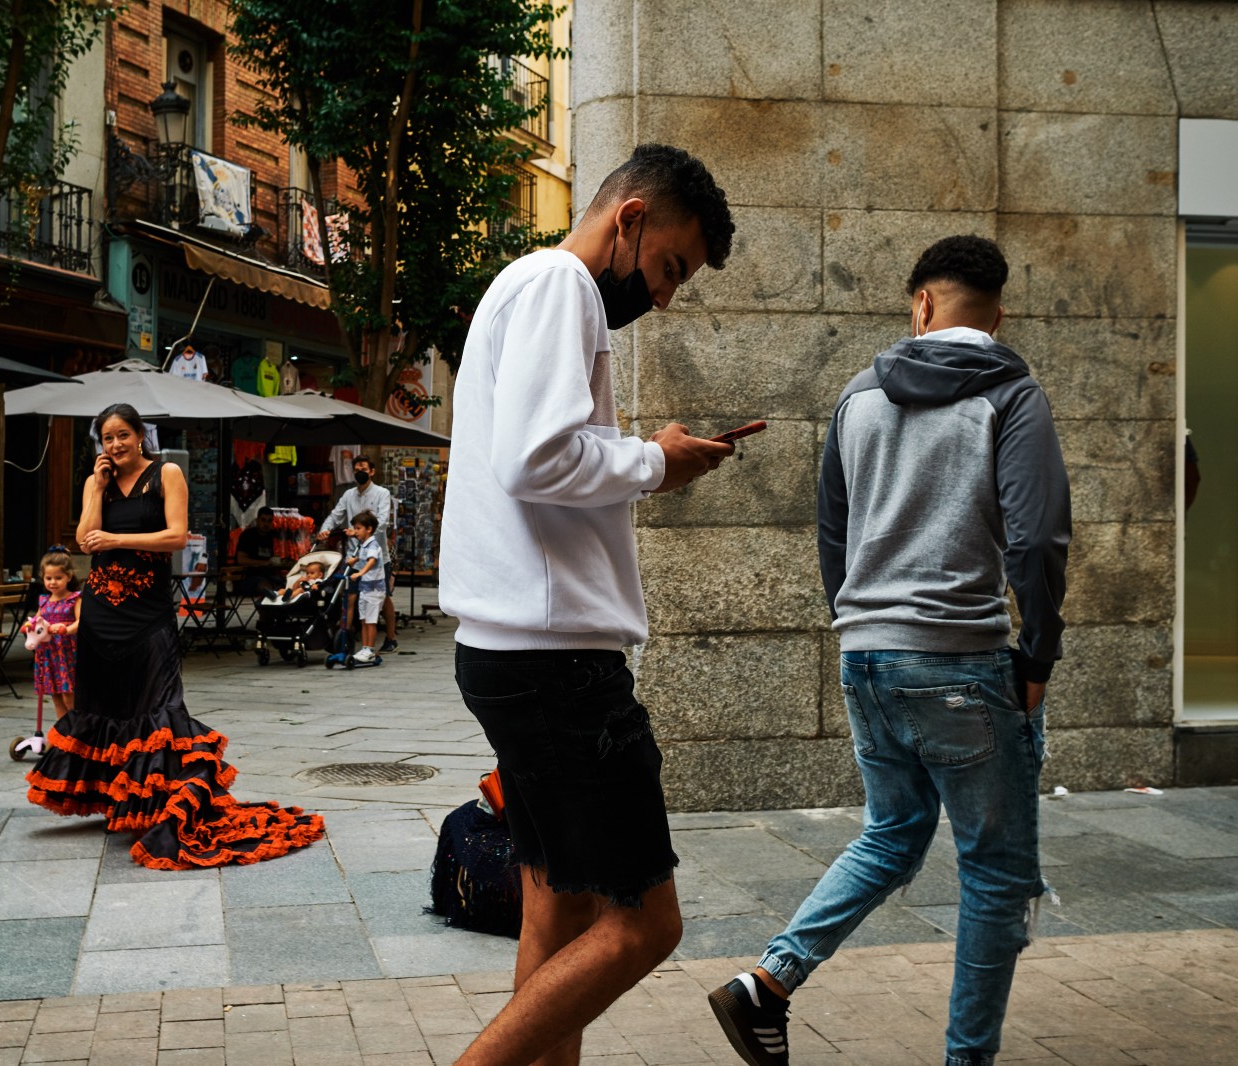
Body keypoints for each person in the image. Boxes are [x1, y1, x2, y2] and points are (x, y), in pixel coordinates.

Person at [708, 235, 1071, 1066]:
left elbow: (832, 533)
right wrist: (1038, 657)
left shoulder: (858, 396)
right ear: (996, 314)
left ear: (920, 306)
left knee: (895, 830)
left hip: (864, 656)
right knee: (997, 874)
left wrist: (860, 622)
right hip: (960, 662)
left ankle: (768, 981)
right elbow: (1038, 540)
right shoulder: (1012, 396)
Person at [439, 143, 738, 1066]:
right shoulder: (558, 287)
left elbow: (537, 460)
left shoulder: (522, 289)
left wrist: (646, 459)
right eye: (668, 268)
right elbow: (538, 457)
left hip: (516, 654)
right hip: (555, 665)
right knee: (646, 924)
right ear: (632, 218)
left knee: (557, 907)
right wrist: (655, 461)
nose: (663, 295)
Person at [25, 403, 325, 869]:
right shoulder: (96, 481)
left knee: (158, 701)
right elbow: (85, 539)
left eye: (123, 435)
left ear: (140, 435)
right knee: (104, 703)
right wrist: (97, 490)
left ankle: (162, 800)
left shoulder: (165, 474)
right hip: (102, 610)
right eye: (107, 438)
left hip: (148, 612)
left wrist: (118, 540)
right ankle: (119, 800)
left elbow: (177, 536)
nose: (116, 445)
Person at [317, 454, 398, 651]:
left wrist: (362, 533)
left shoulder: (381, 493)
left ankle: (391, 636)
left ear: (371, 471)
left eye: (363, 468)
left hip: (377, 556)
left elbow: (382, 521)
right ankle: (345, 635)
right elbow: (336, 515)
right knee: (349, 596)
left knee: (383, 597)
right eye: (357, 469)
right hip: (354, 557)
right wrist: (324, 530)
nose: (360, 472)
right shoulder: (348, 495)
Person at [31, 546, 81, 719]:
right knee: (55, 694)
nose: (52, 582)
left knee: (68, 693)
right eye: (48, 578)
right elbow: (36, 620)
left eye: (58, 578)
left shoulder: (74, 598)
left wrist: (66, 629)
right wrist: (28, 626)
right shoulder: (44, 601)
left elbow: (81, 621)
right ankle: (62, 731)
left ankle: (77, 729)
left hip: (66, 653)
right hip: (48, 652)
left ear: (68, 576)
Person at [344, 512, 386, 663]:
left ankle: (370, 649)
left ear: (369, 529)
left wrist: (360, 572)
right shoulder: (364, 544)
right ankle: (365, 647)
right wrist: (354, 561)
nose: (355, 531)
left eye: (358, 528)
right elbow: (363, 558)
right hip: (365, 588)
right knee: (363, 620)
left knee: (371, 621)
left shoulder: (373, 545)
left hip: (375, 589)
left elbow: (371, 561)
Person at [234, 506, 283, 599]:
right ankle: (271, 603)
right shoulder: (248, 535)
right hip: (247, 577)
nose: (266, 524)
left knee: (285, 583)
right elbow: (241, 559)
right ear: (257, 520)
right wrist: (264, 563)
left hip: (266, 575)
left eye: (269, 521)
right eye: (263, 520)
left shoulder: (270, 536)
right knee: (264, 584)